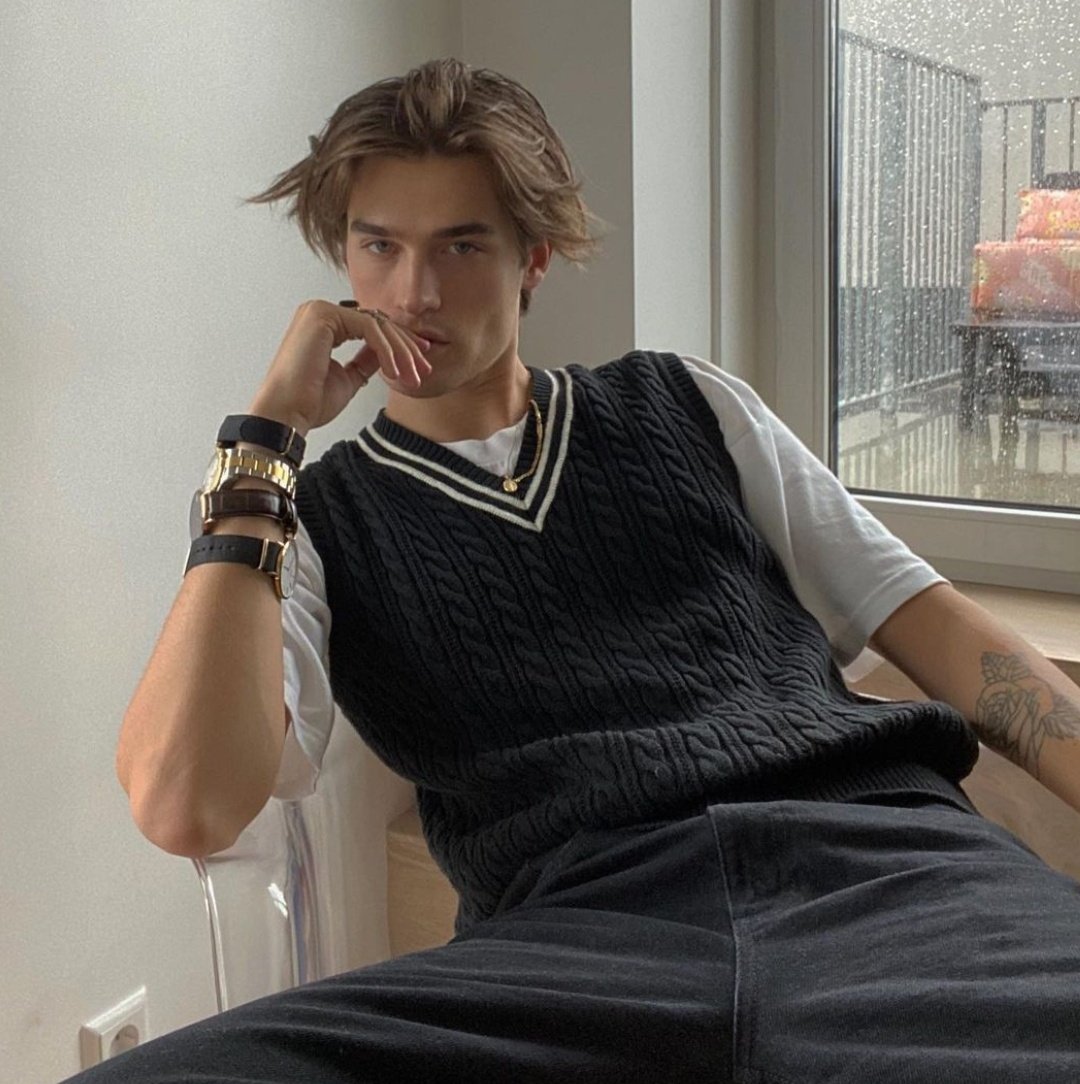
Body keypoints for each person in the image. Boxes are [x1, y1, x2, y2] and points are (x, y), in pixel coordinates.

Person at [69, 58, 1080, 1083]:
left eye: (462, 245)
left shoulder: (685, 404)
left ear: (534, 258)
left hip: (881, 872)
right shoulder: (312, 518)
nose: (416, 292)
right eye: (381, 246)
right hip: (572, 951)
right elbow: (186, 804)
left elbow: (944, 631)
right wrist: (265, 436)